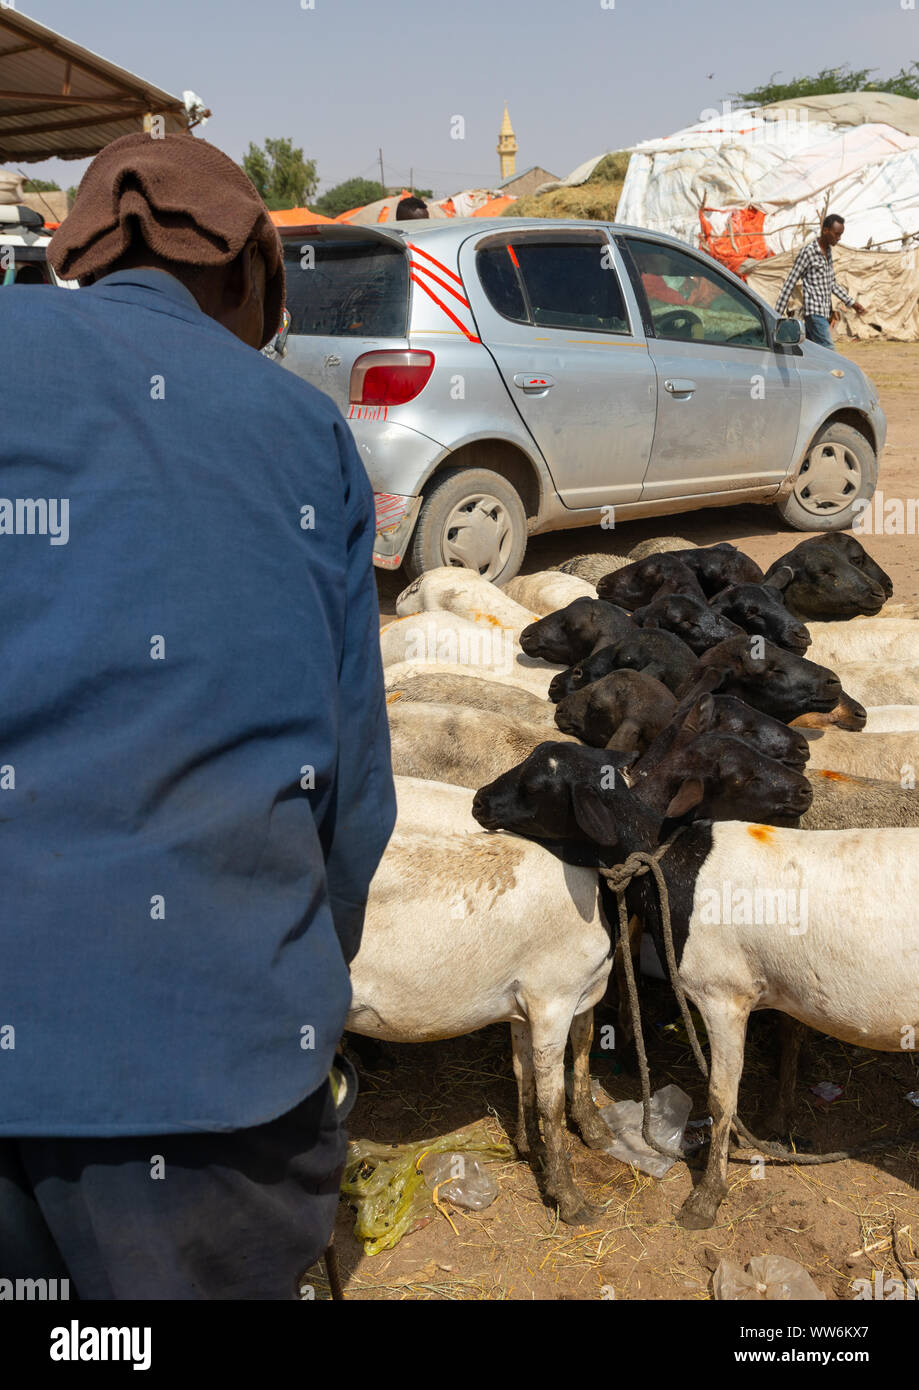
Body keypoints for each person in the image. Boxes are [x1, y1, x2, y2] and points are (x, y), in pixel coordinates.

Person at [0, 132, 395, 1299]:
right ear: (245, 277)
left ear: (81, 255)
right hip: (212, 1075)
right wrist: (291, 980)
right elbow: (352, 800)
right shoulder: (302, 429)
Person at [774, 213, 867, 349]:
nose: (839, 238)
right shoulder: (808, 252)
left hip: (823, 312)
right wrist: (775, 316)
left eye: (840, 235)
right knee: (829, 351)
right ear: (825, 231)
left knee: (809, 351)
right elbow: (790, 282)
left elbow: (831, 284)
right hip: (814, 313)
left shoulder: (828, 252)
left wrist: (852, 303)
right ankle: (836, 371)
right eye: (836, 234)